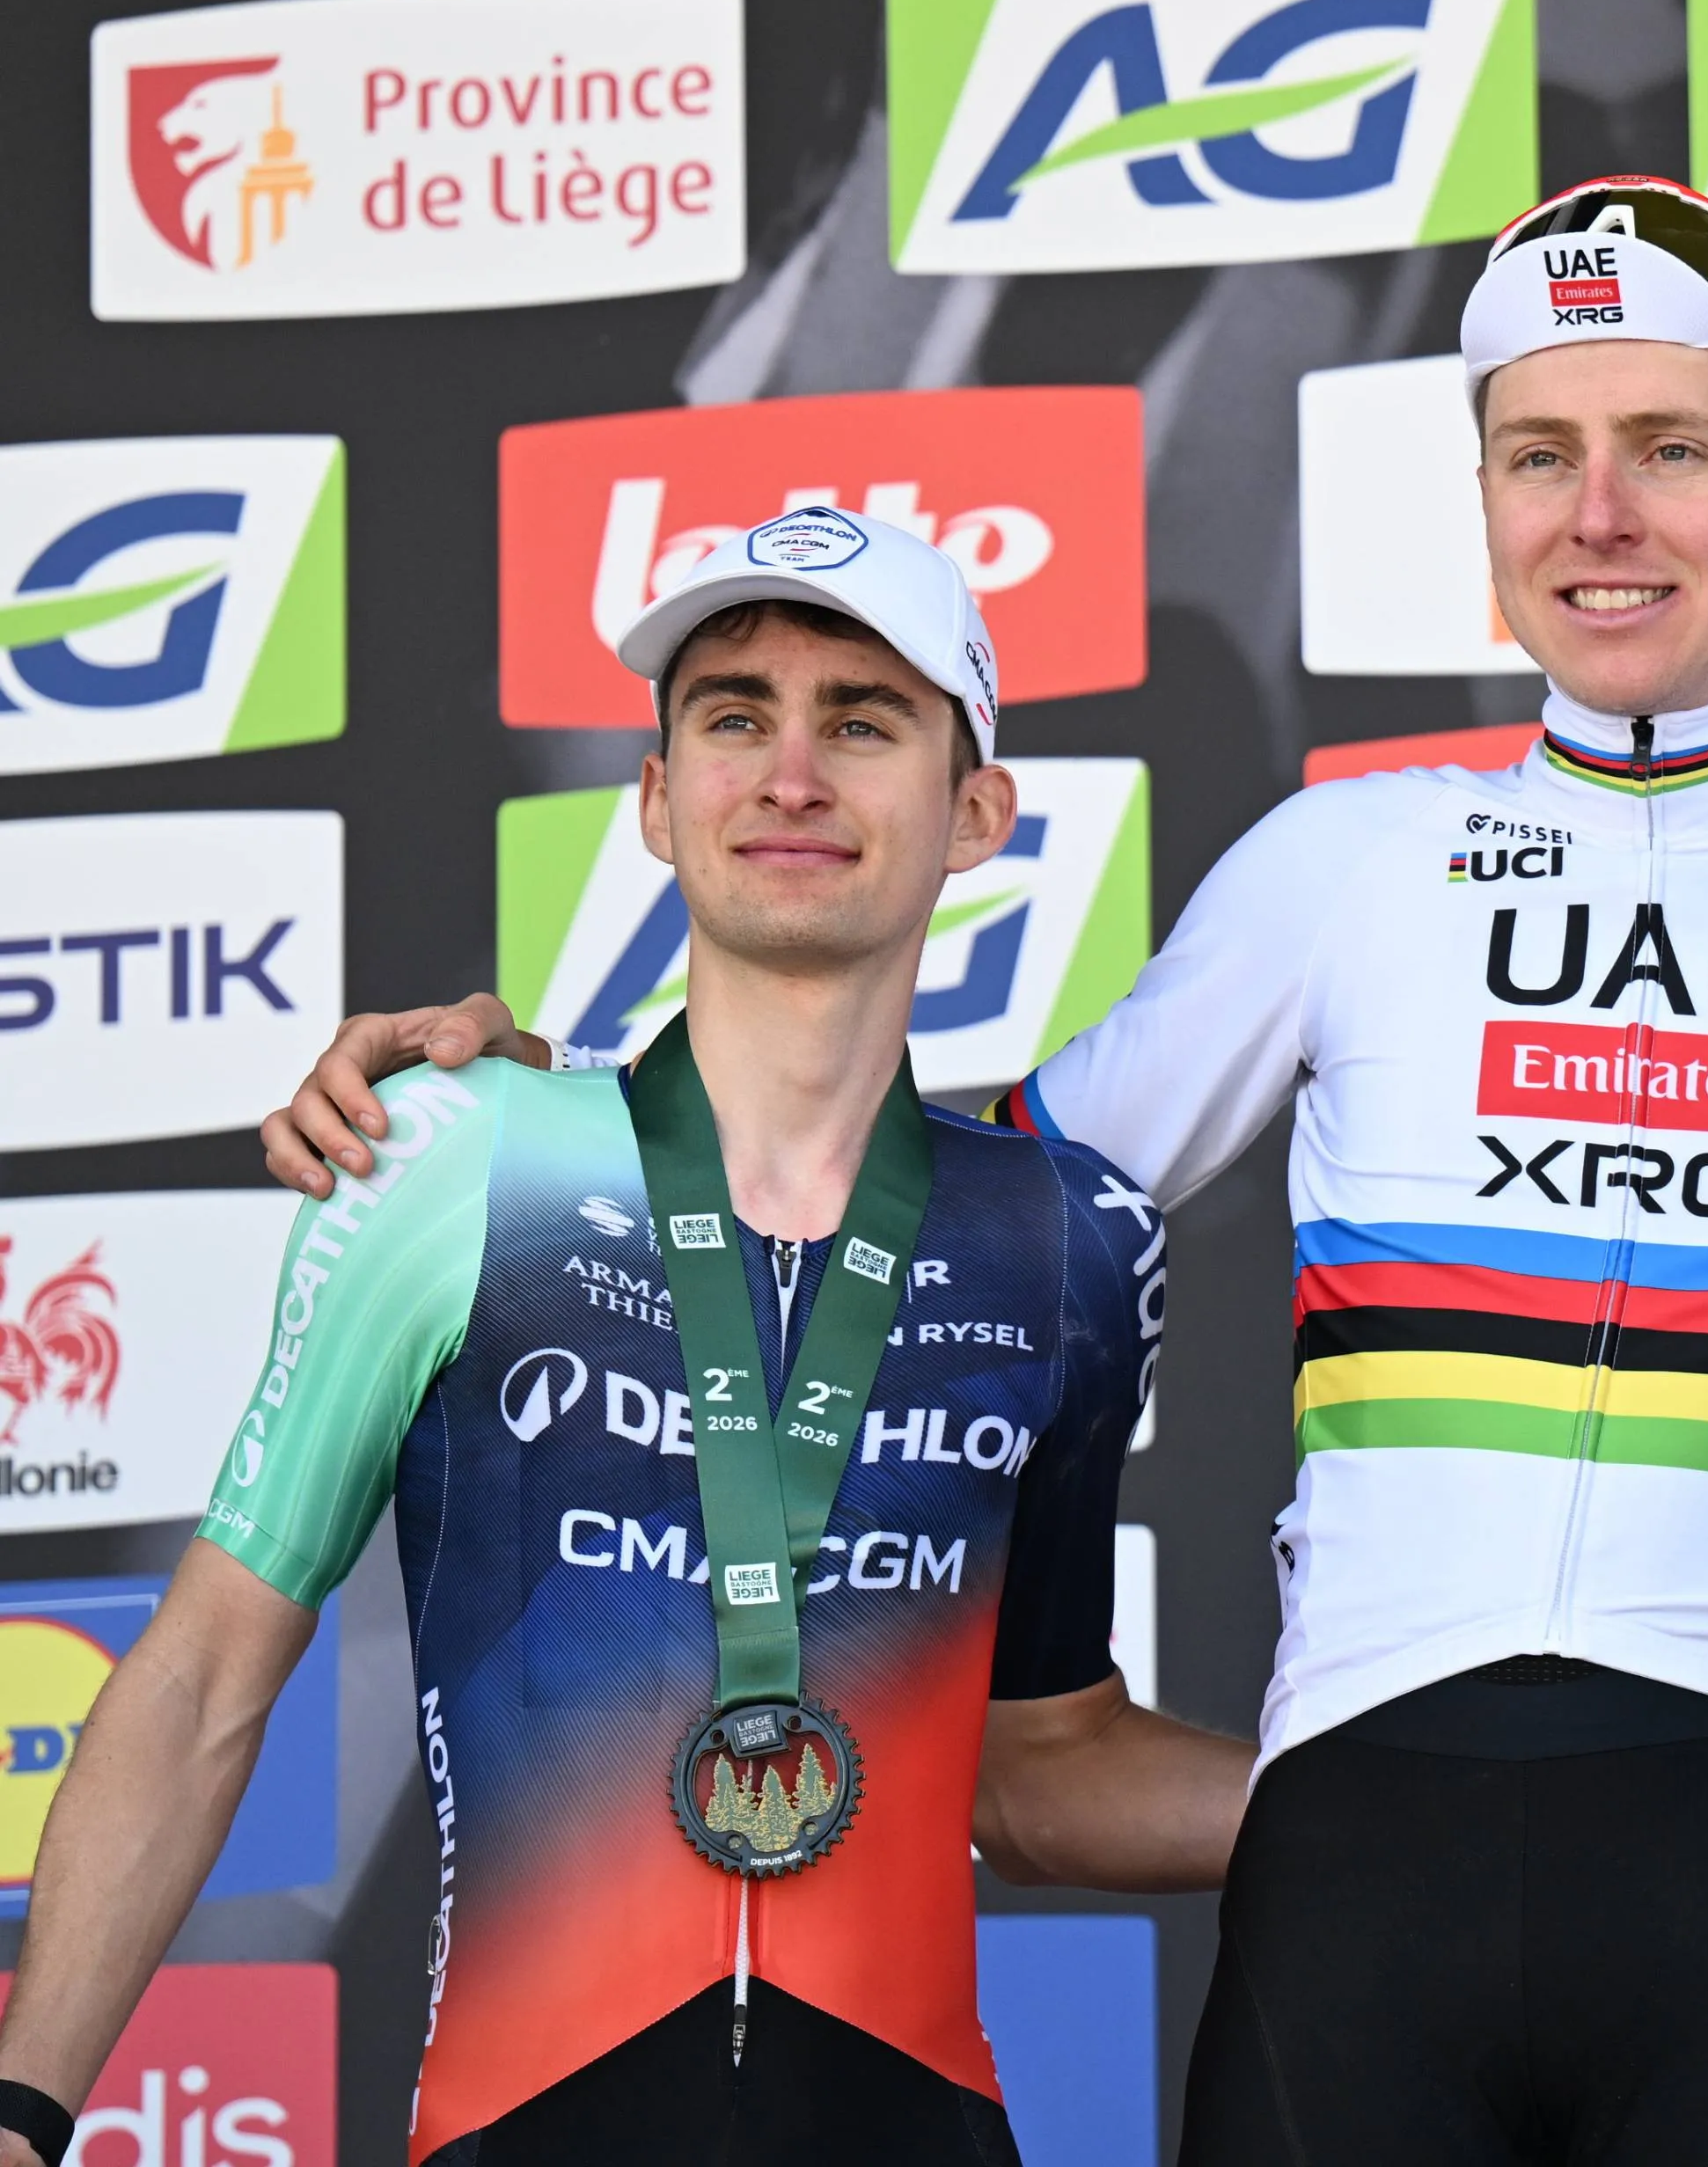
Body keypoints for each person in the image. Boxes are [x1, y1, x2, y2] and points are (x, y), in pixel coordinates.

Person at [257, 177, 1708, 2165]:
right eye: (1541, 455)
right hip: (1360, 1842)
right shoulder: (1343, 858)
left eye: (1672, 449)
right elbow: (920, 1199)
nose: (1599, 514)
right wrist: (543, 1124)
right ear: (1484, 514)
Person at [0, 511, 1249, 2167]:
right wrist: (24, 2109)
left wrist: (1392, 1787)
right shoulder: (456, 1156)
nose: (789, 773)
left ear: (977, 813)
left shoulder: (1069, 1243)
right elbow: (209, 1672)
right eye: (734, 716)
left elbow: (1042, 1771)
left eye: (861, 720)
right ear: (658, 799)